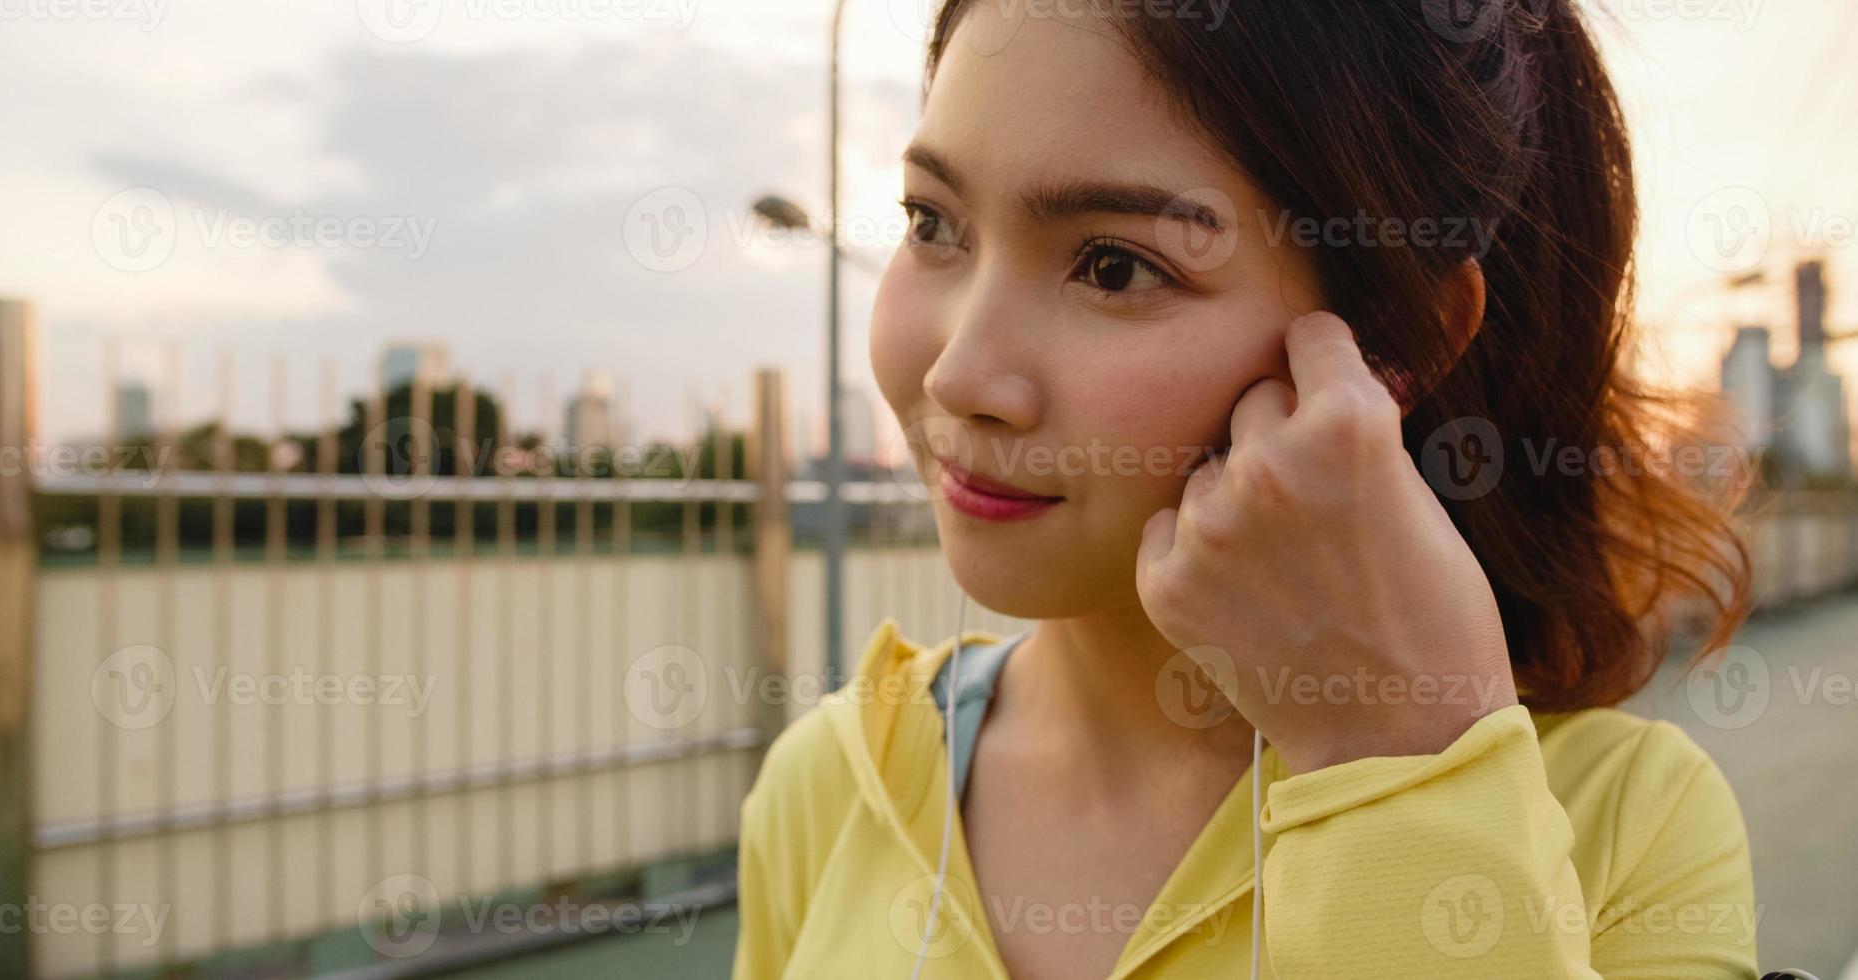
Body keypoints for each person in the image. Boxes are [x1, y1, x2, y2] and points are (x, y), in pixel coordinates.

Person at [733, 0, 1760, 976]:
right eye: (932, 221)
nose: (959, 373)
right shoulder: (825, 783)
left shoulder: (1625, 829)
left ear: (1397, 340)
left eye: (1112, 266)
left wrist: (1386, 757)